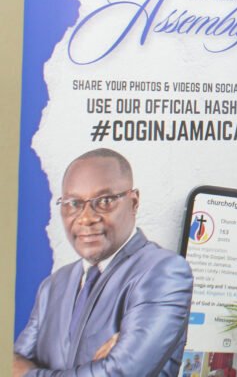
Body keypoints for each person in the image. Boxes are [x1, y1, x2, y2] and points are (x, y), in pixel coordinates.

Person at [14, 148, 193, 376]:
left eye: (105, 201)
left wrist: (29, 373)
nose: (86, 218)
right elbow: (11, 361)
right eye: (73, 203)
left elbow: (122, 373)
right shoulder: (53, 286)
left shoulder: (164, 272)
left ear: (134, 202)